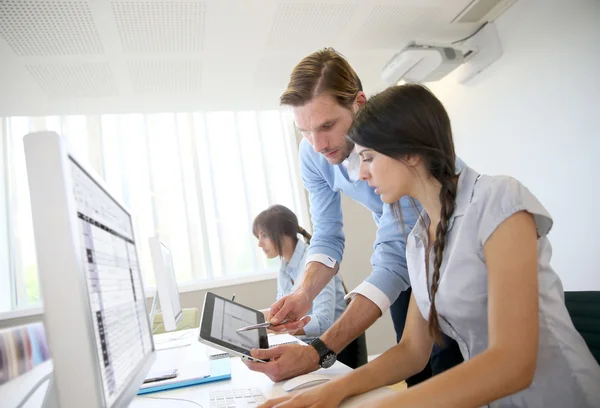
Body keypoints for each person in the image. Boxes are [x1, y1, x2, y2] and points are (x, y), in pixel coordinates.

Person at [257, 84, 600, 408]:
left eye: (369, 157)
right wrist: (332, 391)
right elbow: (411, 352)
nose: (361, 174)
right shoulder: (419, 239)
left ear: (409, 151)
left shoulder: (498, 199)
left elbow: (512, 363)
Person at [245, 48, 463, 383]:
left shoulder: (396, 145)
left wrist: (316, 354)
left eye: (327, 125)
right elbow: (328, 232)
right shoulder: (314, 153)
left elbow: (392, 257)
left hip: (450, 248)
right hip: (413, 250)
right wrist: (304, 293)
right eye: (304, 130)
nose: (317, 144)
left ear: (359, 104)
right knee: (418, 366)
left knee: (449, 363)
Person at [253, 205, 366, 368]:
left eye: (263, 235)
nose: (259, 244)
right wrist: (249, 318)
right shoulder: (284, 267)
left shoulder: (314, 263)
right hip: (306, 345)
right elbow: (279, 312)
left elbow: (323, 322)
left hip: (335, 349)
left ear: (282, 233)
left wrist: (276, 330)